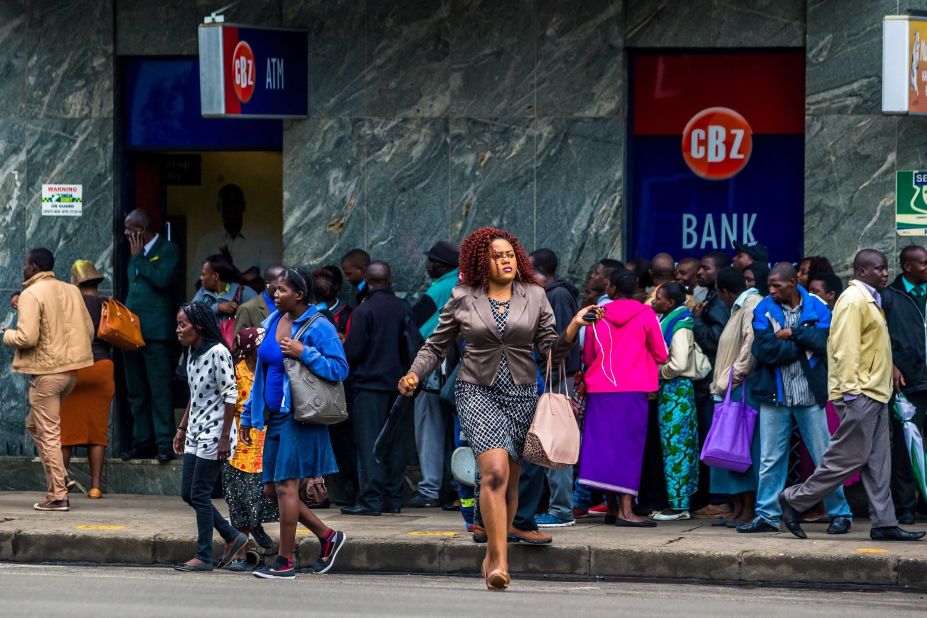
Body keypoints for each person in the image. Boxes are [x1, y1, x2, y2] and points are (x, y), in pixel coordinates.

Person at [398, 227, 598, 590]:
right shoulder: (462, 297)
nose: (504, 261)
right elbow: (436, 345)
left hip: (522, 392)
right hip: (476, 390)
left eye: (508, 255)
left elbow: (550, 350)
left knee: (511, 482)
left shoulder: (535, 296)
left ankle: (493, 551)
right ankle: (500, 560)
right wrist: (414, 373)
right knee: (493, 472)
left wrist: (571, 328)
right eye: (495, 256)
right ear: (480, 261)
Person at [781, 250, 925, 542]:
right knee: (846, 459)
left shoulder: (871, 299)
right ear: (861, 271)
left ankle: (884, 522)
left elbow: (872, 347)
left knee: (878, 462)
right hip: (860, 394)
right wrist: (850, 392)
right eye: (879, 269)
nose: (885, 273)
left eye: (886, 269)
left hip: (875, 392)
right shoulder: (853, 300)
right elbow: (845, 349)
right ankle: (794, 500)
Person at [239, 267, 349, 579]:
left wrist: (304, 352)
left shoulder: (318, 326)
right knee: (273, 489)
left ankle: (285, 562)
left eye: (282, 290)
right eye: (274, 290)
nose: (275, 294)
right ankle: (328, 537)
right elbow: (262, 372)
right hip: (273, 417)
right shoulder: (271, 321)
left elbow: (340, 369)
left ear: (299, 295)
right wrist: (249, 415)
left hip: (299, 417)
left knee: (287, 487)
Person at [737, 263, 852, 535]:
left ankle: (840, 513)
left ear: (792, 282)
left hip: (809, 395)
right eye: (770, 286)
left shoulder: (816, 306)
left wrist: (792, 334)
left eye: (777, 285)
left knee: (825, 457)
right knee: (770, 459)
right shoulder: (763, 308)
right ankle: (767, 515)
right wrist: (802, 344)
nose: (772, 290)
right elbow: (765, 351)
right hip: (775, 395)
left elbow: (824, 341)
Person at [2, 248, 94, 511]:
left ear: (32, 266)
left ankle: (57, 496)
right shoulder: (72, 290)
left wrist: (6, 333)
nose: (23, 268)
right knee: (34, 425)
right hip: (71, 374)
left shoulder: (31, 293)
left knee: (48, 433)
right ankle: (62, 475)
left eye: (24, 263)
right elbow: (88, 330)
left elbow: (27, 338)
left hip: (46, 374)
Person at [578, 267, 666, 526]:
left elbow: (589, 357)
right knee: (629, 449)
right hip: (633, 389)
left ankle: (613, 508)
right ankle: (628, 511)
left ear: (612, 290)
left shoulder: (597, 316)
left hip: (601, 388)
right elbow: (661, 354)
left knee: (606, 448)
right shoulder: (646, 313)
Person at [171, 302, 246, 572]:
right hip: (195, 430)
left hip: (216, 432)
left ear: (199, 325)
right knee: (188, 493)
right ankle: (232, 536)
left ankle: (203, 556)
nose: (178, 330)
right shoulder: (192, 353)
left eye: (182, 324)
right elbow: (194, 394)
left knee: (200, 494)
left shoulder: (218, 352)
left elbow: (230, 395)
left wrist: (225, 436)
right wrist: (181, 428)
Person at [516, 248, 581, 528]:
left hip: (555, 379)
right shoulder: (547, 294)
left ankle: (561, 510)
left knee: (556, 443)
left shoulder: (557, 295)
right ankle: (551, 505)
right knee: (543, 443)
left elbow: (561, 342)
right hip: (547, 377)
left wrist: (550, 376)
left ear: (539, 269)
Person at [341, 261, 410, 516]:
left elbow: (353, 351)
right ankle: (393, 499)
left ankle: (371, 500)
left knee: (370, 444)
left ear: (367, 282)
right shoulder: (402, 308)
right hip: (400, 386)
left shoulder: (364, 311)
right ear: (390, 280)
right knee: (394, 443)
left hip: (369, 386)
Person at [123, 208, 181, 461]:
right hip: (130, 333)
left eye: (129, 230)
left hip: (156, 333)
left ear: (141, 231)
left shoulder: (168, 250)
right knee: (136, 391)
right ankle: (142, 441)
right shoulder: (135, 256)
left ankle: (164, 444)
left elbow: (162, 280)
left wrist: (138, 259)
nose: (125, 234)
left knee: (159, 391)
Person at [407, 240, 460, 508]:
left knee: (429, 428)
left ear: (443, 265)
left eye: (432, 261)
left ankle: (429, 489)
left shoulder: (440, 288)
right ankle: (456, 486)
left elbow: (414, 326)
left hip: (434, 370)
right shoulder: (465, 285)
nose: (427, 266)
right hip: (462, 372)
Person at [708, 267, 762, 527]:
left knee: (742, 449)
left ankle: (748, 508)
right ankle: (739, 508)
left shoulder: (751, 305)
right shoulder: (738, 307)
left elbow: (750, 346)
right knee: (730, 448)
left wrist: (732, 377)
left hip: (741, 388)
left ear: (725, 292)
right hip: (731, 388)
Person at [651, 283, 709, 521]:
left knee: (678, 446)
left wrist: (657, 372)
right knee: (675, 444)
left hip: (677, 390)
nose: (654, 301)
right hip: (672, 391)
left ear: (670, 303)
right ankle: (679, 502)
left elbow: (679, 364)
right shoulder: (673, 319)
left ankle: (679, 505)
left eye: (658, 298)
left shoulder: (680, 326)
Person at [223, 327, 279, 571]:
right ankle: (240, 555)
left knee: (266, 497)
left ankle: (257, 526)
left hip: (268, 448)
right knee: (239, 504)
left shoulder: (272, 372)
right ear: (252, 350)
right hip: (241, 451)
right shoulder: (236, 374)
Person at [59, 261, 115, 499]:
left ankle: (60, 482)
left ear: (75, 281)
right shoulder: (108, 304)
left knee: (65, 431)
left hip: (75, 369)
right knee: (97, 431)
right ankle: (95, 487)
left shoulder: (68, 304)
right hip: (103, 369)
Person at [883, 246, 927, 525]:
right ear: (907, 266)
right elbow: (878, 337)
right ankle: (905, 506)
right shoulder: (891, 296)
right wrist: (892, 365)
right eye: (923, 263)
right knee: (906, 446)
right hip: (907, 382)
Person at [195, 184, 266, 275]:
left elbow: (267, 282)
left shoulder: (261, 242)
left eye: (236, 203)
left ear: (243, 206)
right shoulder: (206, 243)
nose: (231, 208)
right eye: (226, 203)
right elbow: (198, 281)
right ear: (218, 207)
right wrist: (245, 277)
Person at [193, 252, 257, 321]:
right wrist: (218, 307)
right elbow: (191, 315)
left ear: (216, 276)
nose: (201, 278)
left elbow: (260, 317)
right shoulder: (202, 293)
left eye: (203, 274)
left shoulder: (244, 293)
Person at [234, 264, 285, 337]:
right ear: (267, 284)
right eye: (280, 284)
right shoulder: (247, 308)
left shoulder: (288, 305)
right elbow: (239, 343)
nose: (284, 287)